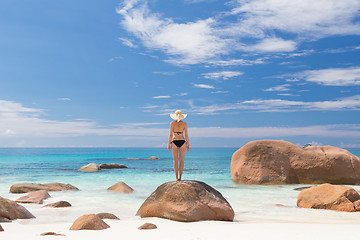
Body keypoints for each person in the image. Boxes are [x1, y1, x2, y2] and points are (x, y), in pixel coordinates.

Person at [168, 110, 190, 181]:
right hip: (182, 141)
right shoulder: (184, 124)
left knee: (175, 160)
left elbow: (171, 135)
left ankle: (176, 177)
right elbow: (186, 135)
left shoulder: (172, 123)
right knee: (181, 160)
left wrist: (168, 144)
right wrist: (188, 144)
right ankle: (180, 177)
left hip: (174, 141)